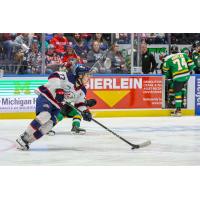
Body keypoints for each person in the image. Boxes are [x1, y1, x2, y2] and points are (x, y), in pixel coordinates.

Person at [16, 65, 94, 150]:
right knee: (45, 115)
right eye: (87, 75)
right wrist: (58, 89)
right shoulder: (69, 77)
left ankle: (27, 141)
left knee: (48, 126)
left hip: (57, 106)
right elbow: (54, 75)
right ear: (80, 75)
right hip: (46, 97)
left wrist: (86, 112)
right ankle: (24, 136)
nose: (89, 77)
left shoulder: (82, 90)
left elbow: (80, 104)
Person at [163, 45, 195, 116]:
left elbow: (165, 71)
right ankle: (181, 104)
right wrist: (187, 71)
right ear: (178, 50)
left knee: (177, 92)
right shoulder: (183, 54)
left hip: (178, 77)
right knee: (181, 88)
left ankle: (178, 110)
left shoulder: (168, 58)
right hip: (187, 76)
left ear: (171, 51)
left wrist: (170, 76)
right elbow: (192, 65)